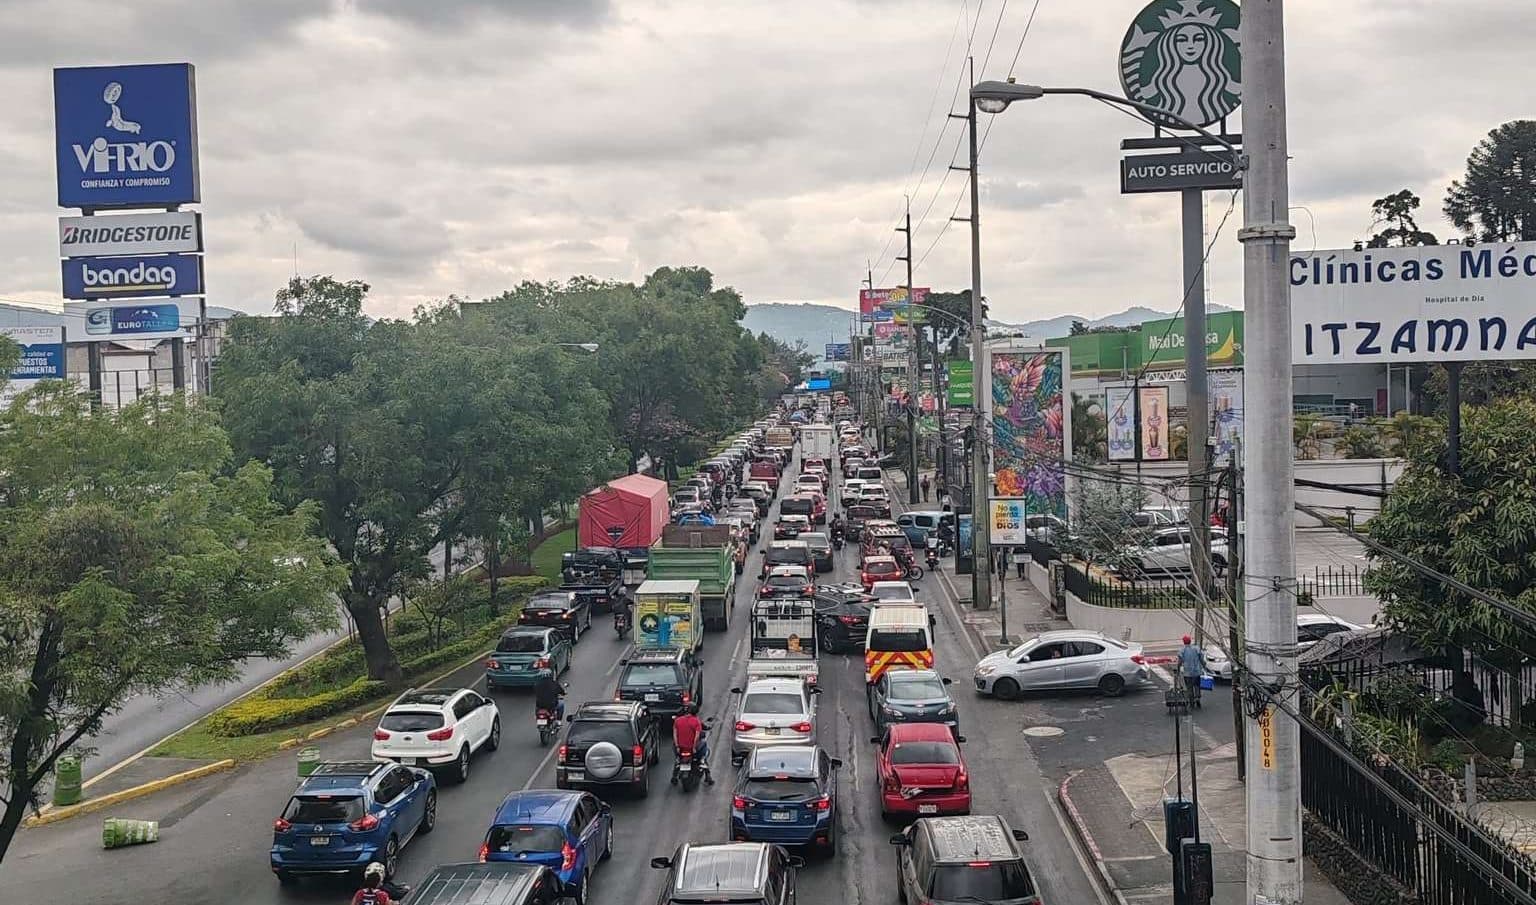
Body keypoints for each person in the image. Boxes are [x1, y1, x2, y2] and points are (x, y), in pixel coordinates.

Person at [672, 705, 714, 785]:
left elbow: (675, 734)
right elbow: (697, 736)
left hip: (680, 748)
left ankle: (674, 776)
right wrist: (694, 747)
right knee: (704, 748)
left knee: (677, 759)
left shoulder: (677, 721)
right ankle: (708, 775)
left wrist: (677, 746)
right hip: (692, 749)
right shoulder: (696, 722)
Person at [1177, 635, 1206, 708]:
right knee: (1197, 686)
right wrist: (1204, 665)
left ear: (1183, 642)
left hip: (1187, 673)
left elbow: (1180, 662)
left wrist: (1178, 669)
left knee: (1189, 687)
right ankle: (1197, 698)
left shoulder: (1182, 650)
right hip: (1196, 671)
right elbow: (1201, 659)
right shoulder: (1196, 648)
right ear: (1190, 641)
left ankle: (1191, 701)